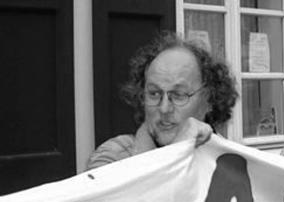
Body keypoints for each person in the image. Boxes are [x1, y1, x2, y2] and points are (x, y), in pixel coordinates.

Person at [86, 32, 238, 170]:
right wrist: (177, 153)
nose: (164, 108)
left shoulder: (234, 166)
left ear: (208, 100)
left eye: (179, 95)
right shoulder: (113, 157)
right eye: (154, 93)